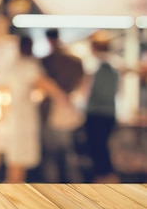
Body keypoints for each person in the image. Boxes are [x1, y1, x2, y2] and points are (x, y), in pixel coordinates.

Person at [4, 36, 66, 183]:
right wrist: (62, 98)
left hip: (12, 115)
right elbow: (45, 84)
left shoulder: (14, 66)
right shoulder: (29, 65)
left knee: (15, 157)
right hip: (23, 117)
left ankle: (11, 187)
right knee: (20, 156)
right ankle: (14, 190)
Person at [40, 28, 84, 182]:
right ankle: (71, 187)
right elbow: (80, 84)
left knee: (52, 153)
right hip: (66, 109)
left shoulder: (46, 61)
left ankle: (53, 189)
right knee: (67, 152)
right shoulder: (74, 61)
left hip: (51, 111)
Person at [83, 33, 120, 183]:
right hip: (109, 114)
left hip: (96, 114)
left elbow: (91, 93)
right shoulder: (113, 68)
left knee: (97, 149)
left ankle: (104, 181)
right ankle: (106, 179)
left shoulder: (97, 68)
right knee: (102, 148)